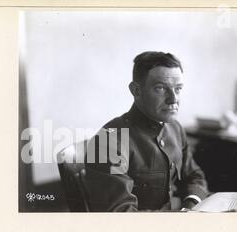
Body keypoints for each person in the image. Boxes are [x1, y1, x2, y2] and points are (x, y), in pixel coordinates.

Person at [84, 51, 208, 212]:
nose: (173, 99)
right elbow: (121, 215)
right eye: (161, 88)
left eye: (178, 89)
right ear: (136, 91)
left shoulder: (175, 128)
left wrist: (190, 205)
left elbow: (194, 175)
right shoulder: (108, 141)